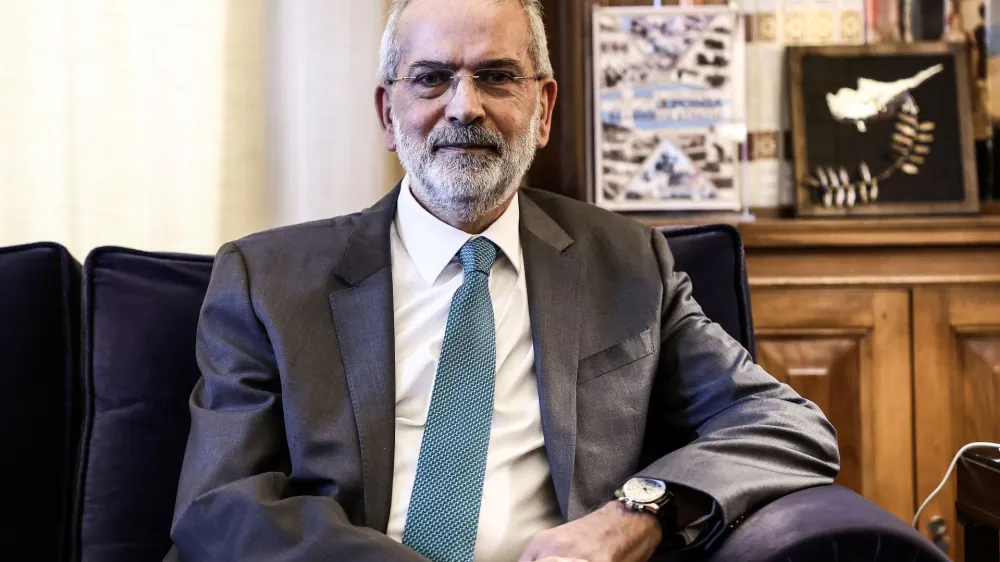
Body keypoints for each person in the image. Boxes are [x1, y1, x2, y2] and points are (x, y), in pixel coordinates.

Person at [165, 1, 839, 561]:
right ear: (386, 114)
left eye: (495, 76)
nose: (465, 107)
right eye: (431, 78)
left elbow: (786, 425)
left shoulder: (628, 264)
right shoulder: (269, 280)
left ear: (542, 109)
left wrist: (639, 512)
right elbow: (219, 506)